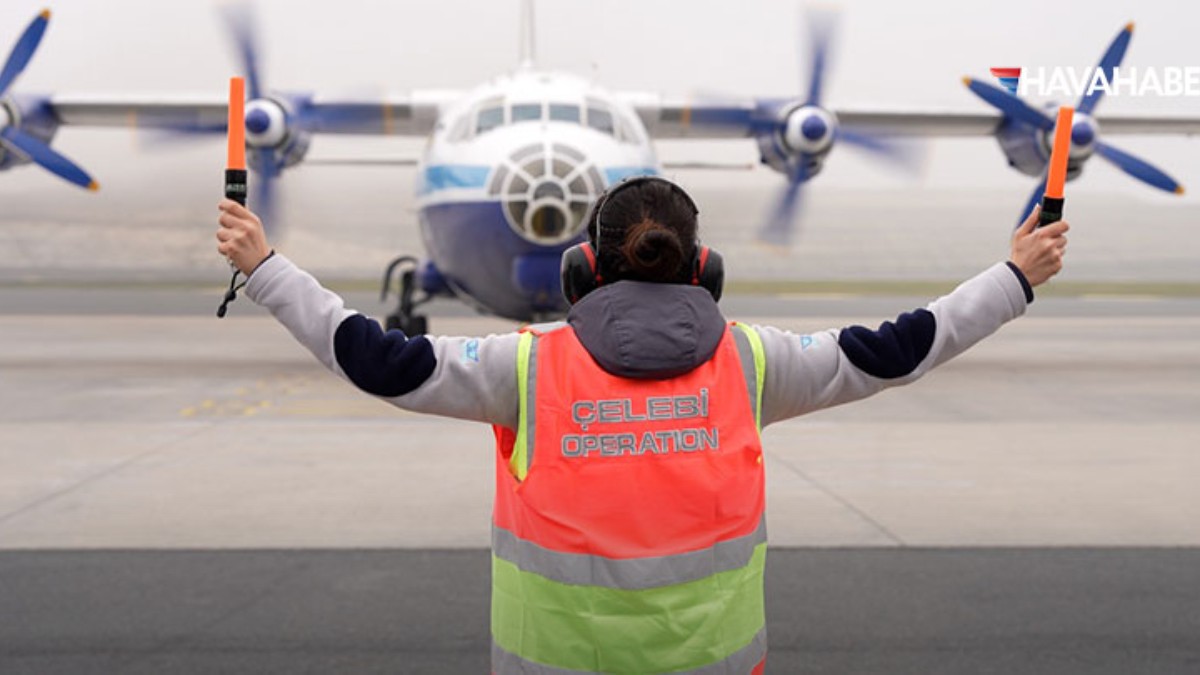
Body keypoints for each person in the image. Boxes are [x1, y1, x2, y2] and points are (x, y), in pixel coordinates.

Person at [215, 176, 1068, 674]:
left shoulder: (524, 367)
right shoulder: (755, 363)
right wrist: (1015, 276)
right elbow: (903, 347)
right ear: (704, 267)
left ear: (582, 267)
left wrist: (264, 266)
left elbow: (373, 357)